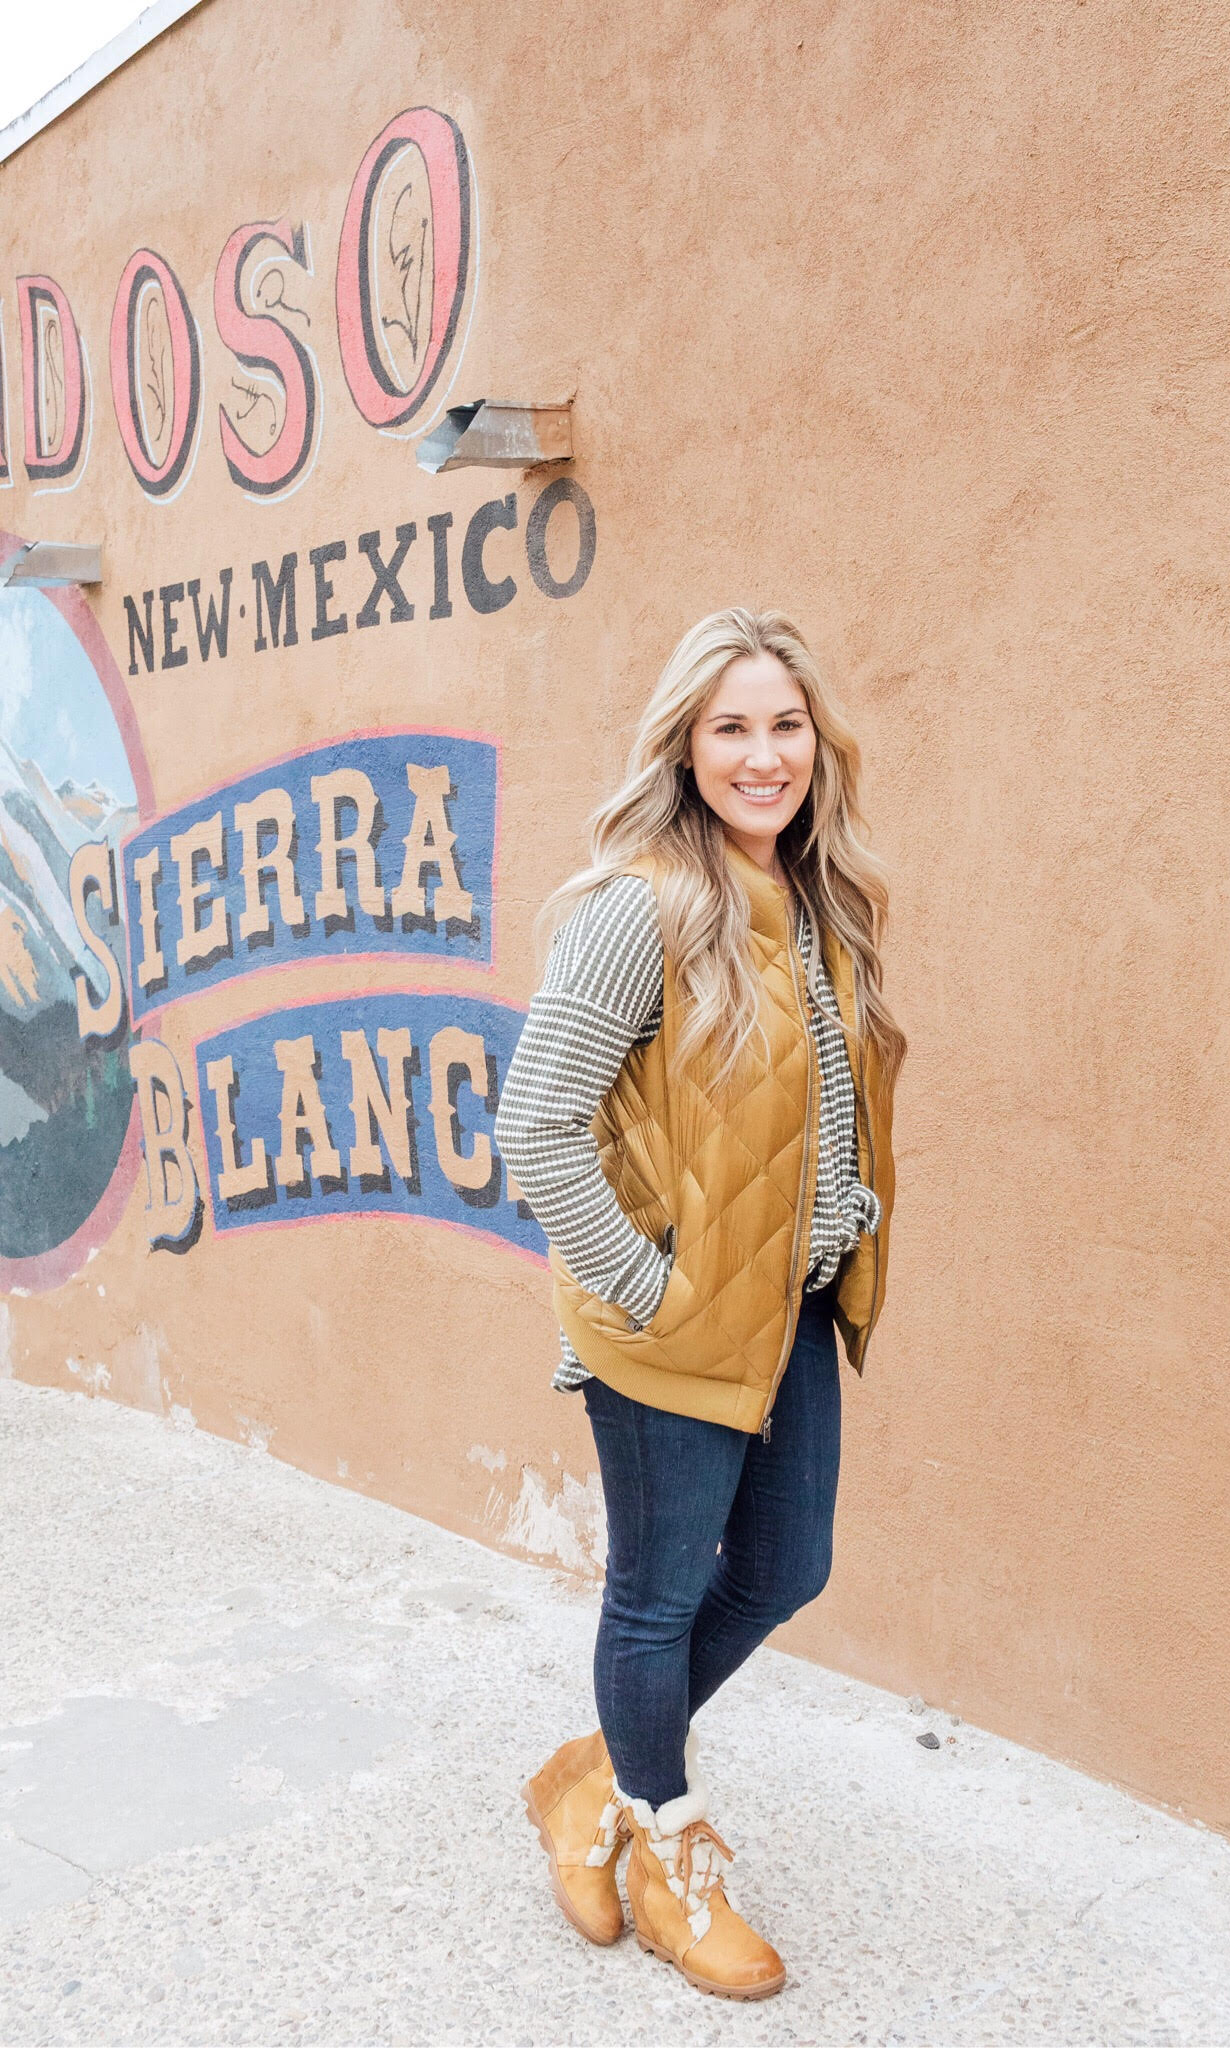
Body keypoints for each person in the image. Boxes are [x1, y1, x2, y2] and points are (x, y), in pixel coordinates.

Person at [495, 607, 903, 2000]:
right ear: (682, 745)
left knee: (785, 1566)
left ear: (816, 743)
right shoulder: (639, 911)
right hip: (668, 1321)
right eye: (731, 725)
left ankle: (591, 1778)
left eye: (784, 723)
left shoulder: (821, 899)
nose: (763, 753)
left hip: (781, 1307)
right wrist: (645, 1287)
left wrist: (844, 1215)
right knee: (657, 1600)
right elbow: (534, 1122)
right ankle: (667, 1852)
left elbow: (820, 1101)